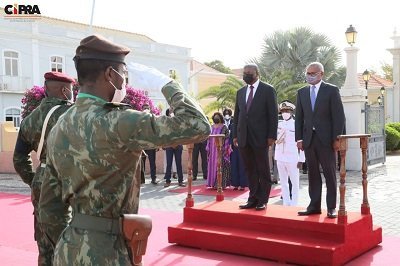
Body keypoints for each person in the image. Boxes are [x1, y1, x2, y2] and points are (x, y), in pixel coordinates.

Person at [38, 34, 210, 265]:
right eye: (123, 75)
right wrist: (167, 85)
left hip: (68, 249)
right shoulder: (121, 121)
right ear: (111, 75)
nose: (125, 83)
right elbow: (197, 125)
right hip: (109, 251)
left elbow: (49, 208)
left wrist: (71, 245)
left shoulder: (60, 125)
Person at [13, 71, 75, 265]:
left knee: (44, 242)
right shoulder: (71, 114)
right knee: (67, 240)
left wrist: (34, 179)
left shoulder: (30, 119)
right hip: (67, 180)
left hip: (41, 178)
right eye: (72, 90)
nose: (74, 94)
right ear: (64, 91)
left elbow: (19, 158)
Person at [295, 62, 345, 219]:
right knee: (313, 174)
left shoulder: (331, 90)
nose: (310, 75)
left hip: (326, 140)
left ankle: (331, 207)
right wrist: (299, 139)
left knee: (330, 174)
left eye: (313, 73)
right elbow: (300, 118)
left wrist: (337, 138)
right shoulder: (301, 92)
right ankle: (314, 206)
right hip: (309, 140)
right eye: (308, 73)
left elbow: (339, 116)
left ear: (321, 74)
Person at [233, 63, 278, 211]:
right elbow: (237, 115)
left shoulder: (268, 90)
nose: (246, 75)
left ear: (257, 73)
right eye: (244, 73)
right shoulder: (240, 92)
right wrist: (235, 135)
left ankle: (263, 200)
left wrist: (272, 135)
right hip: (243, 137)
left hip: (261, 137)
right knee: (250, 169)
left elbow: (273, 115)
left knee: (263, 169)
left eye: (249, 73)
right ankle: (252, 198)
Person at [275, 100, 305, 206]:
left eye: (287, 110)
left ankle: (294, 203)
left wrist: (301, 159)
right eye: (283, 111)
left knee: (295, 182)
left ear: (291, 112)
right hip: (280, 157)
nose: (284, 113)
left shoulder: (296, 124)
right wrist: (276, 157)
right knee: (283, 182)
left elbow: (301, 143)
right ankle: (286, 202)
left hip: (292, 158)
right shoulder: (278, 124)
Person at [206, 112, 231, 189]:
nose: (216, 117)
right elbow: (208, 139)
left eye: (218, 116)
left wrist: (225, 149)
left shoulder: (224, 127)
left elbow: (227, 138)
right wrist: (208, 148)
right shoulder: (211, 127)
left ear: (220, 118)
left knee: (220, 166)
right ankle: (213, 184)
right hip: (212, 151)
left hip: (221, 151)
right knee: (212, 166)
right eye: (215, 116)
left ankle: (220, 184)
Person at [163, 108, 185, 187]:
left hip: (178, 145)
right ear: (168, 113)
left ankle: (180, 181)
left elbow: (182, 133)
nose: (171, 113)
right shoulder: (166, 123)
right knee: (169, 164)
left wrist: (176, 143)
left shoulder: (179, 122)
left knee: (179, 163)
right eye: (170, 112)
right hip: (169, 145)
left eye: (173, 111)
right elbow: (165, 134)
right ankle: (167, 181)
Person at [142, 103, 158, 185]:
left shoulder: (153, 118)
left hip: (151, 145)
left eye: (147, 108)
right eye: (145, 108)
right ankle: (141, 179)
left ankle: (153, 179)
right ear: (142, 109)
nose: (146, 109)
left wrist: (157, 144)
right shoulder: (139, 118)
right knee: (142, 164)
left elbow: (156, 131)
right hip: (142, 145)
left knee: (152, 163)